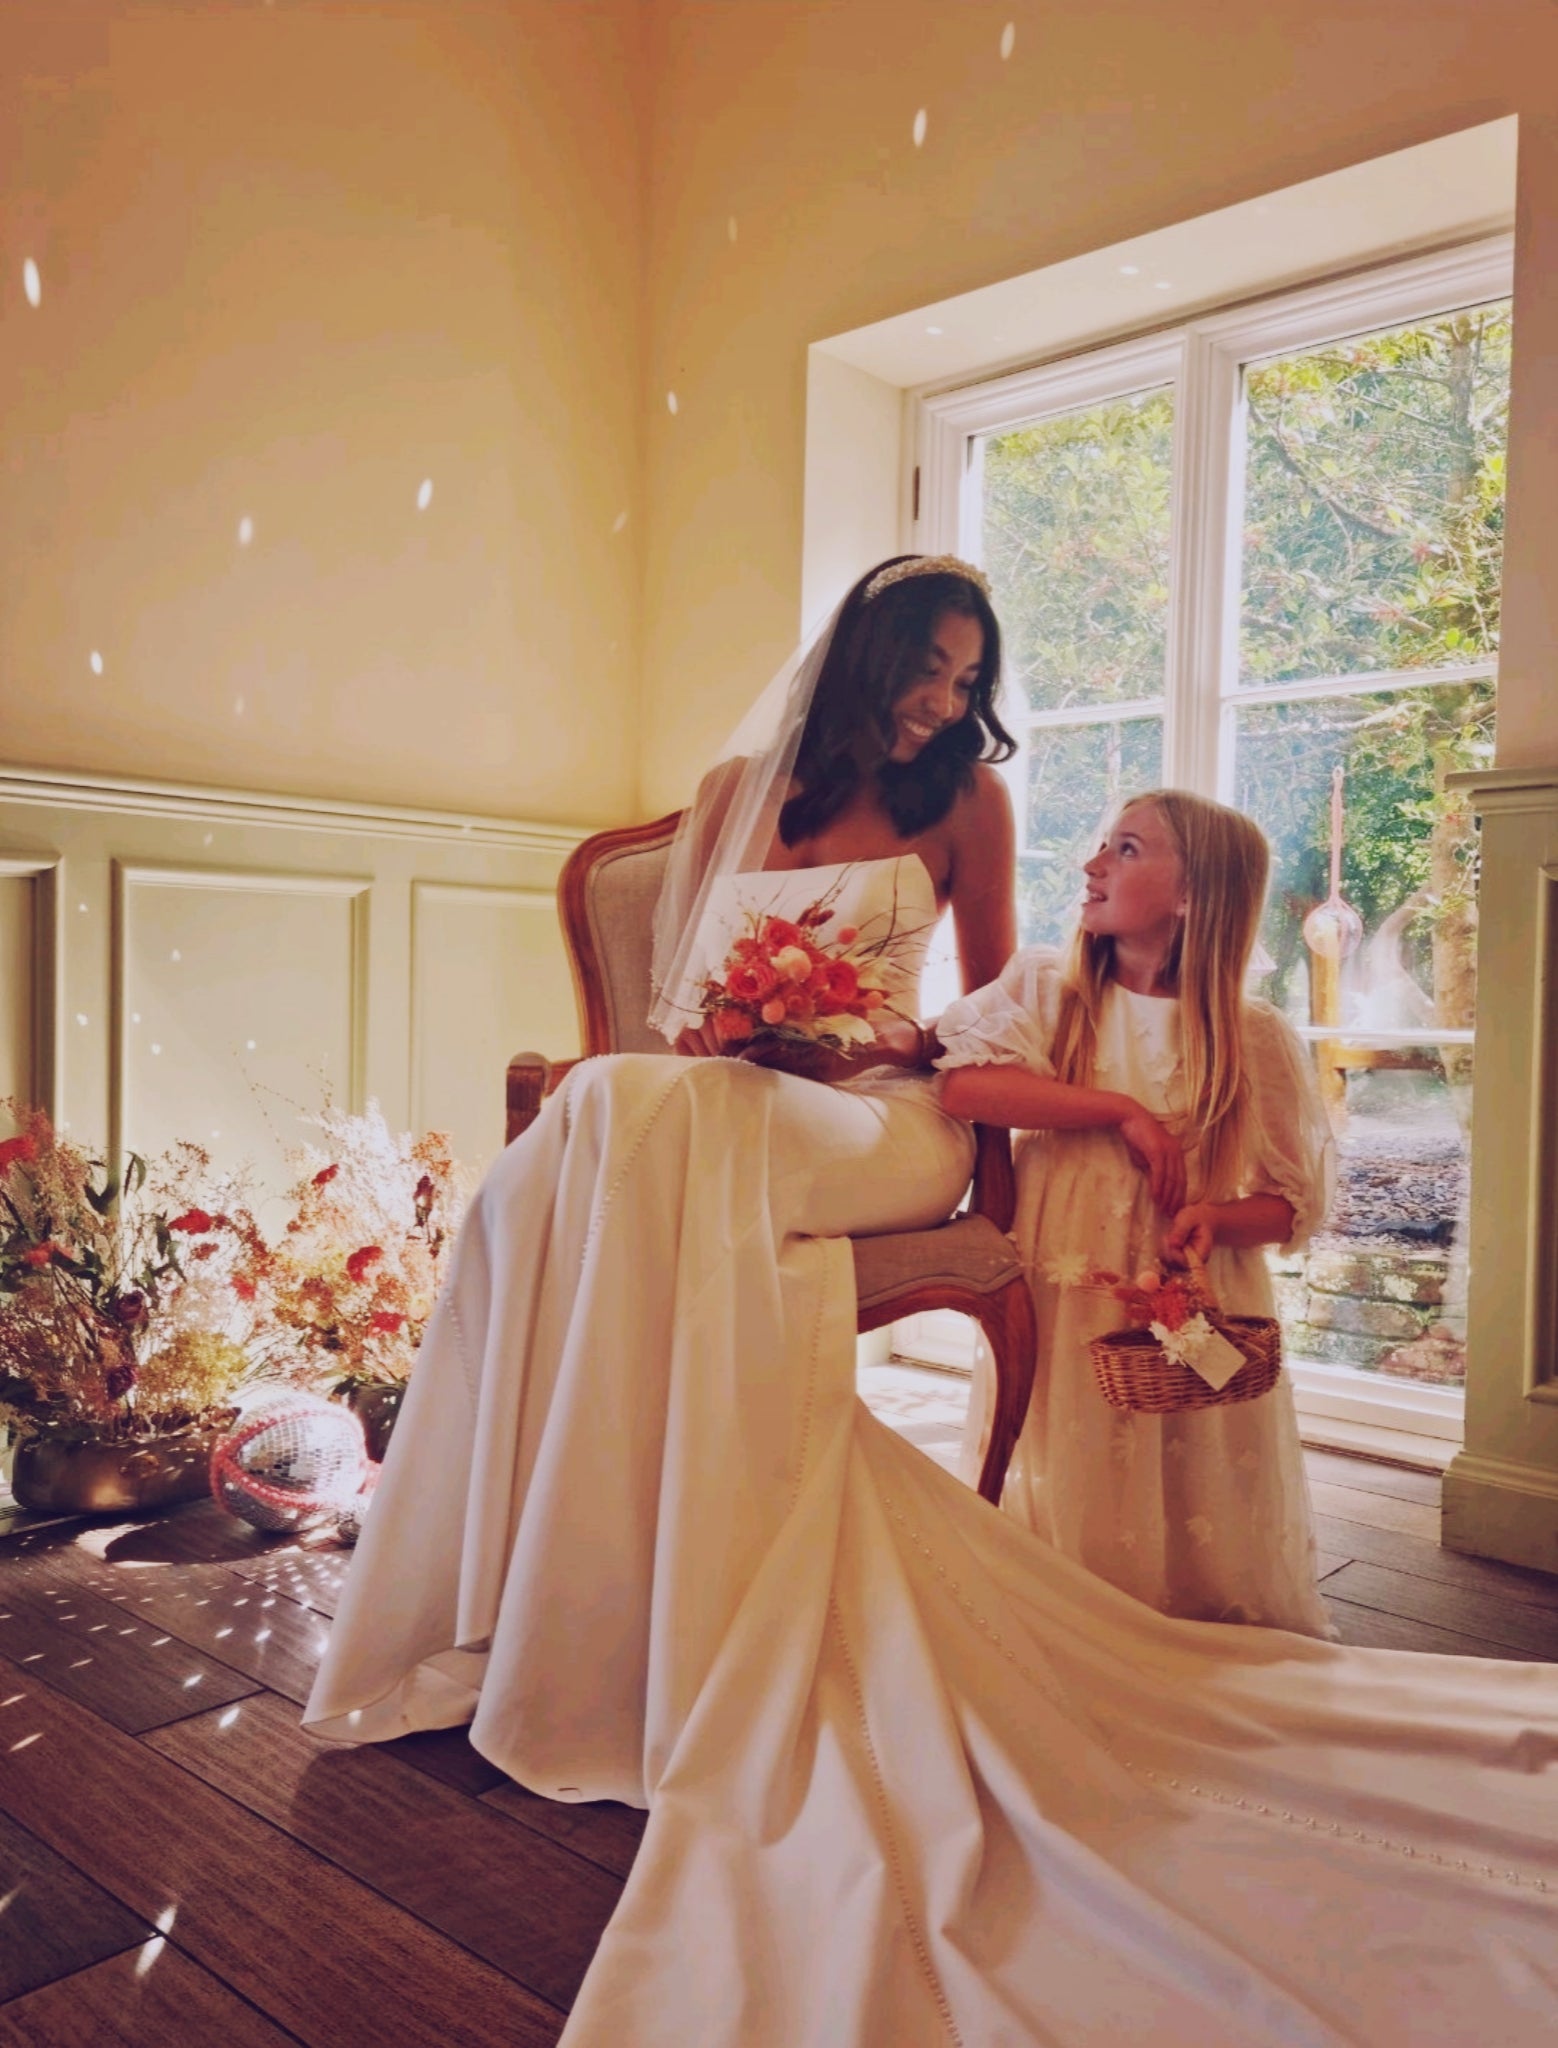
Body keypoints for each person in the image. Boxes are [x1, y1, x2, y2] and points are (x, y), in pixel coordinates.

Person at [307, 566, 1558, 2048]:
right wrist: (740, 1029)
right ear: (867, 656)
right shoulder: (733, 794)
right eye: (933, 671)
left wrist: (855, 1046)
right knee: (626, 1107)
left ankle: (617, 1587)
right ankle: (562, 1577)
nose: (948, 704)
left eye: (971, 683)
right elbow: (675, 1017)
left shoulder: (968, 809)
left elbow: (968, 1033)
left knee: (637, 1120)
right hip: (737, 1094)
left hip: (891, 1123)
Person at [936, 790, 1332, 1635]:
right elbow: (965, 1084)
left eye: (1125, 849)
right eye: (1102, 844)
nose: (1092, 865)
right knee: (1071, 1435)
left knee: (1192, 1447)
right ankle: (1072, 1602)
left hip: (1186, 1283)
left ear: (1193, 896)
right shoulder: (1051, 987)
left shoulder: (1249, 1034)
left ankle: (1182, 1600)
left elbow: (1293, 1204)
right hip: (1065, 1269)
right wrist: (1119, 1108)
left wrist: (1219, 1222)